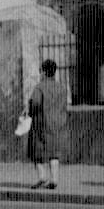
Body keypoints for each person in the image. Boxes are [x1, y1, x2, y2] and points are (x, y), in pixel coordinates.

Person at [26, 58, 69, 190]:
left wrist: (30, 112)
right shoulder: (62, 88)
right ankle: (54, 178)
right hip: (58, 123)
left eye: (41, 71)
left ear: (44, 72)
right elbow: (64, 105)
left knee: (36, 150)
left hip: (42, 123)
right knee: (54, 151)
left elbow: (35, 103)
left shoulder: (40, 87)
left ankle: (42, 176)